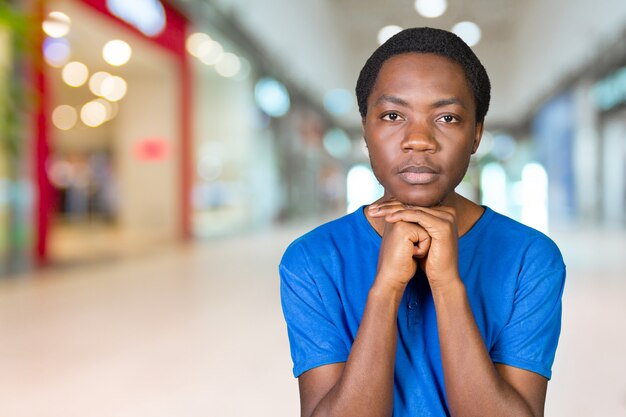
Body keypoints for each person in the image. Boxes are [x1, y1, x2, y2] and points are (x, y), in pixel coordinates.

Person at [279, 27, 565, 417]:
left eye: (447, 117)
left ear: (477, 134)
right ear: (365, 129)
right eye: (393, 115)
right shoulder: (311, 260)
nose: (419, 139)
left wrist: (447, 285)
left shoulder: (529, 258)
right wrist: (385, 290)